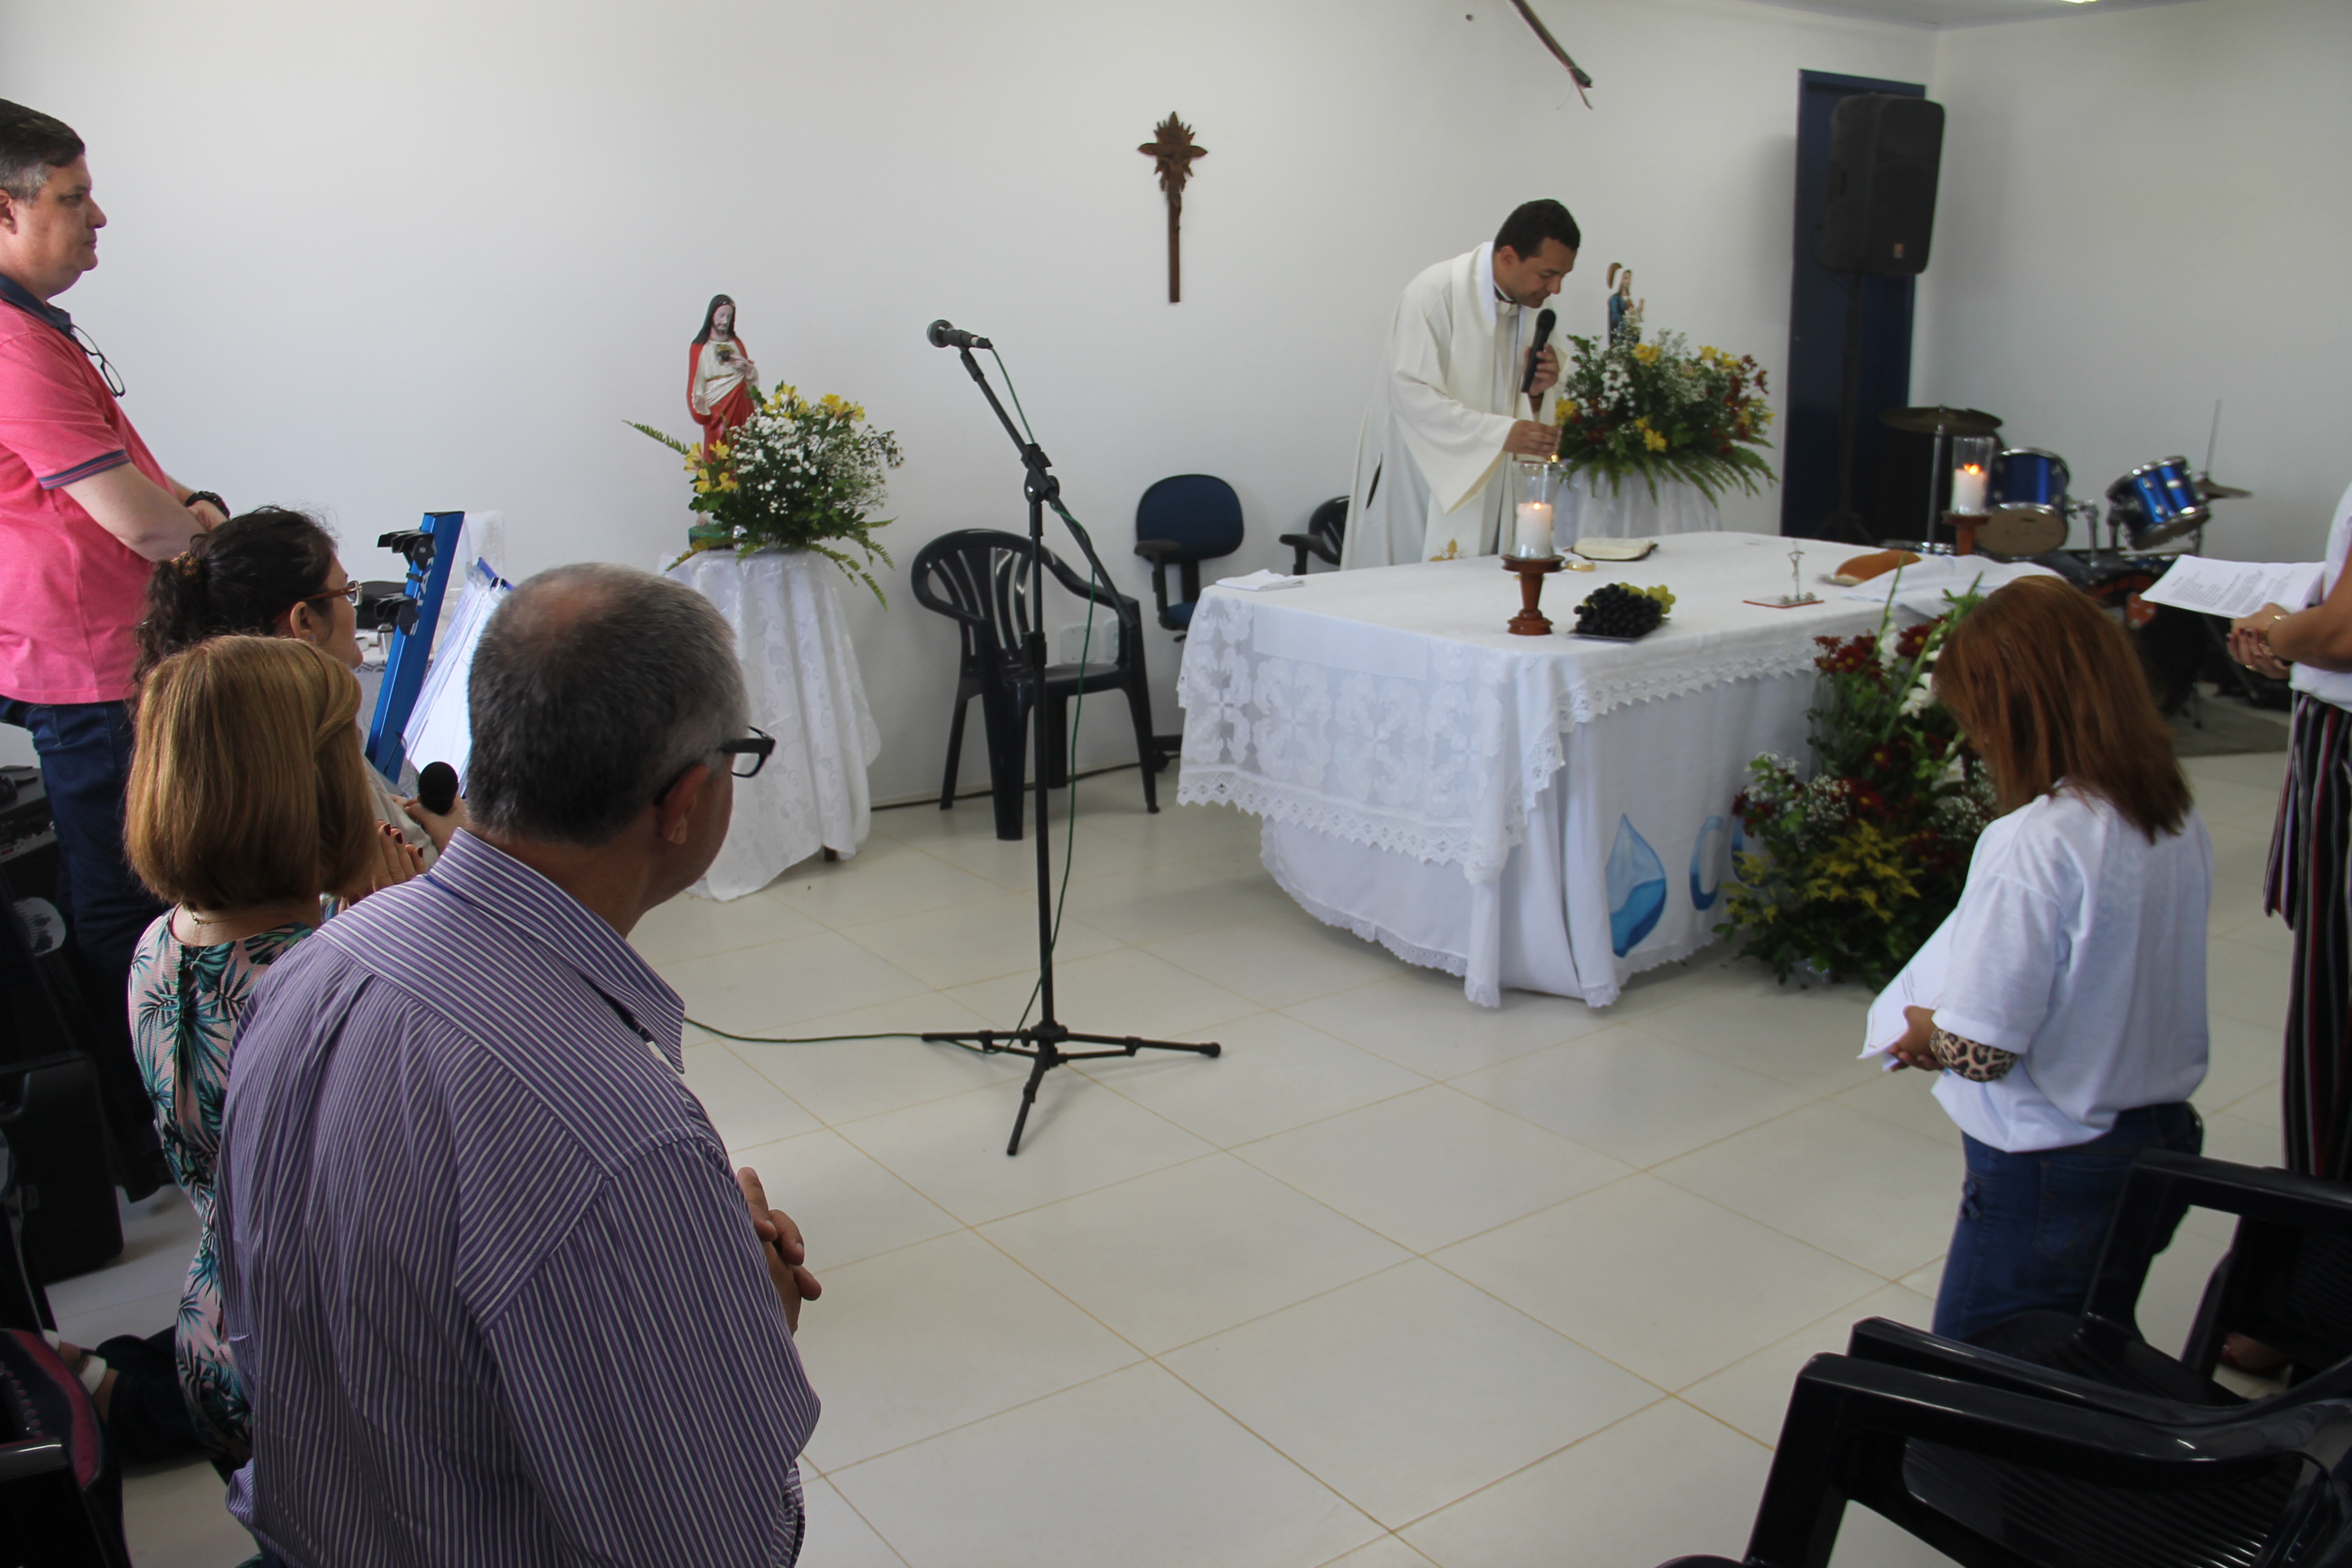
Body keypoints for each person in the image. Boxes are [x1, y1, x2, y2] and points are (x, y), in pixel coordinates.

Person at [215, 564, 820, 1567]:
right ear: (683, 802)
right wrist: (743, 1316)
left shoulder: (315, 968)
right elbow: (721, 1543)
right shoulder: (620, 1137)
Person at [1874, 576, 2210, 1343]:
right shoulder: (2170, 806)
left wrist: (1927, 1031)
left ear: (2015, 715)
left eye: (1976, 721)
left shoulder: (2034, 841)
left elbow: (1983, 1052)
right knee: (2088, 1339)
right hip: (2157, 1135)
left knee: (1984, 1368)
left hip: (2051, 1158)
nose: (1976, 743)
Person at [119, 636, 421, 1473]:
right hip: (328, 1377)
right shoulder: (344, 989)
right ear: (307, 789)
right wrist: (412, 950)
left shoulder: (160, 944)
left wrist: (365, 935)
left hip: (220, 1334)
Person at [0, 100, 231, 1191]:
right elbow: (139, 522)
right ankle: (151, 1128)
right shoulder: (10, 342)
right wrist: (211, 540)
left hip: (109, 647)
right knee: (125, 892)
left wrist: (195, 509)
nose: (99, 218)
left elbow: (139, 481)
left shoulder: (35, 325)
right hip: (88, 663)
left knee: (136, 876)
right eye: (73, 197)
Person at [136, 505, 459, 860]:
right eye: (346, 592)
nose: (353, 607)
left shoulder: (214, 737)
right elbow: (414, 879)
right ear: (305, 622)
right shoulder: (322, 751)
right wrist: (457, 844)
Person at [1337, 199, 1578, 569]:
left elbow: (1543, 400)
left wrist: (1541, 390)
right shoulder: (1436, 293)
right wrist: (1499, 434)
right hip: (1422, 482)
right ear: (1509, 257)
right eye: (1548, 274)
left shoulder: (1535, 310)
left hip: (1496, 483)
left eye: (1563, 276)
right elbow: (1411, 394)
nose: (1556, 288)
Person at [689, 293, 759, 453]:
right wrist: (699, 404)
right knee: (718, 451)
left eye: (729, 316)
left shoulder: (736, 344)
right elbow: (696, 381)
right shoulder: (700, 347)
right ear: (711, 315)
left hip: (742, 404)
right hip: (717, 407)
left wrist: (748, 369)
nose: (725, 321)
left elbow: (750, 377)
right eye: (721, 315)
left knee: (743, 448)